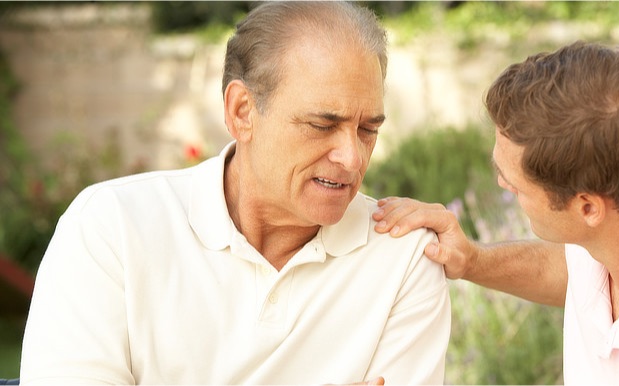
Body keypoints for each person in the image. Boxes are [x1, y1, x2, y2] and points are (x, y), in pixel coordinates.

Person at [20, 2, 451, 384]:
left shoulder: (406, 256)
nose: (353, 157)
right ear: (242, 111)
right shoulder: (110, 226)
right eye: (323, 125)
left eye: (368, 130)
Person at [373, 41, 619, 384]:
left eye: (515, 183)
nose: (502, 186)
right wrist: (472, 260)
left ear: (588, 207)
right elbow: (570, 271)